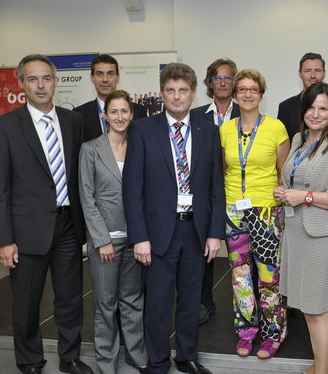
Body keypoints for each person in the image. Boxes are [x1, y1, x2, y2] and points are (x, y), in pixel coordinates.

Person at [0, 54, 93, 374]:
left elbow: (80, 176)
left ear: (56, 81)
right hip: (26, 231)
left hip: (67, 226)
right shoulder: (3, 127)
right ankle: (30, 360)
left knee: (70, 299)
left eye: (46, 78)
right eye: (32, 79)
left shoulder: (73, 122)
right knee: (26, 302)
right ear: (21, 84)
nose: (40, 85)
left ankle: (70, 357)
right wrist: (3, 241)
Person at [123, 63, 225, 374]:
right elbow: (132, 189)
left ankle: (186, 357)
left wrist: (214, 233)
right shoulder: (142, 130)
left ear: (193, 94)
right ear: (162, 94)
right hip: (156, 234)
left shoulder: (208, 131)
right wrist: (139, 237)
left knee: (191, 300)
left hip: (195, 230)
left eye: (183, 90)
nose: (177, 96)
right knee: (157, 304)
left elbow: (215, 187)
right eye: (171, 90)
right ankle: (157, 361)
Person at [274, 82, 328, 374]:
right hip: (298, 234)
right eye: (311, 107)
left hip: (324, 238)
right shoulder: (298, 139)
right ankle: (322, 364)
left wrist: (305, 197)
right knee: (308, 307)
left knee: (318, 308)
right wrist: (286, 192)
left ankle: (322, 370)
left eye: (323, 108)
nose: (316, 113)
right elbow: (295, 178)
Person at [220, 69, 290, 359]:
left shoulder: (276, 128)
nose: (247, 94)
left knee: (268, 276)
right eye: (242, 90)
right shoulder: (225, 129)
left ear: (261, 94)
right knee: (239, 277)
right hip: (234, 212)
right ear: (235, 94)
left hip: (266, 212)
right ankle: (246, 332)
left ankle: (273, 333)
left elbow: (282, 174)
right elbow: (224, 170)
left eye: (253, 89)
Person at [78, 90, 148, 374]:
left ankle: (135, 353)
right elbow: (87, 197)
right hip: (104, 242)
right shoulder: (91, 149)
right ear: (104, 115)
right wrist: (102, 240)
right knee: (105, 304)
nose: (120, 117)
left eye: (124, 111)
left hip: (134, 240)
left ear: (132, 115)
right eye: (114, 112)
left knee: (132, 300)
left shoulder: (139, 146)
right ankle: (106, 361)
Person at [190, 57, 240, 325]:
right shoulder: (196, 115)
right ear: (210, 82)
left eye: (228, 77)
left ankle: (247, 308)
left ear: (235, 82)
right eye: (217, 77)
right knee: (203, 250)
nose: (222, 82)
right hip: (204, 195)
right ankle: (203, 302)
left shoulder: (244, 113)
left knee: (242, 253)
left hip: (236, 195)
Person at [73, 54, 146, 142]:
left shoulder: (138, 111)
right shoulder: (79, 114)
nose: (105, 79)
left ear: (118, 78)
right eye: (99, 74)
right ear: (92, 78)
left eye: (110, 74)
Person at [277, 52, 328, 138]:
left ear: (324, 74)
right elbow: (283, 145)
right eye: (308, 71)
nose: (313, 76)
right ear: (300, 74)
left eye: (317, 70)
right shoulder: (286, 107)